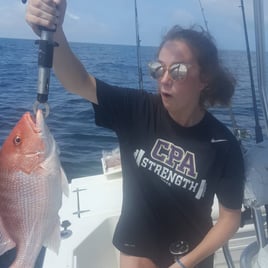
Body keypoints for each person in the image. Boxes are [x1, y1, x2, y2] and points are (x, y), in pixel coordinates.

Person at [25, 1, 245, 267]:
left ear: (205, 78)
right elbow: (79, 82)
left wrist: (185, 263)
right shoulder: (137, 109)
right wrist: (55, 30)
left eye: (178, 70)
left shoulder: (223, 144)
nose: (164, 79)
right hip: (137, 247)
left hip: (192, 254)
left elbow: (230, 218)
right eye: (159, 68)